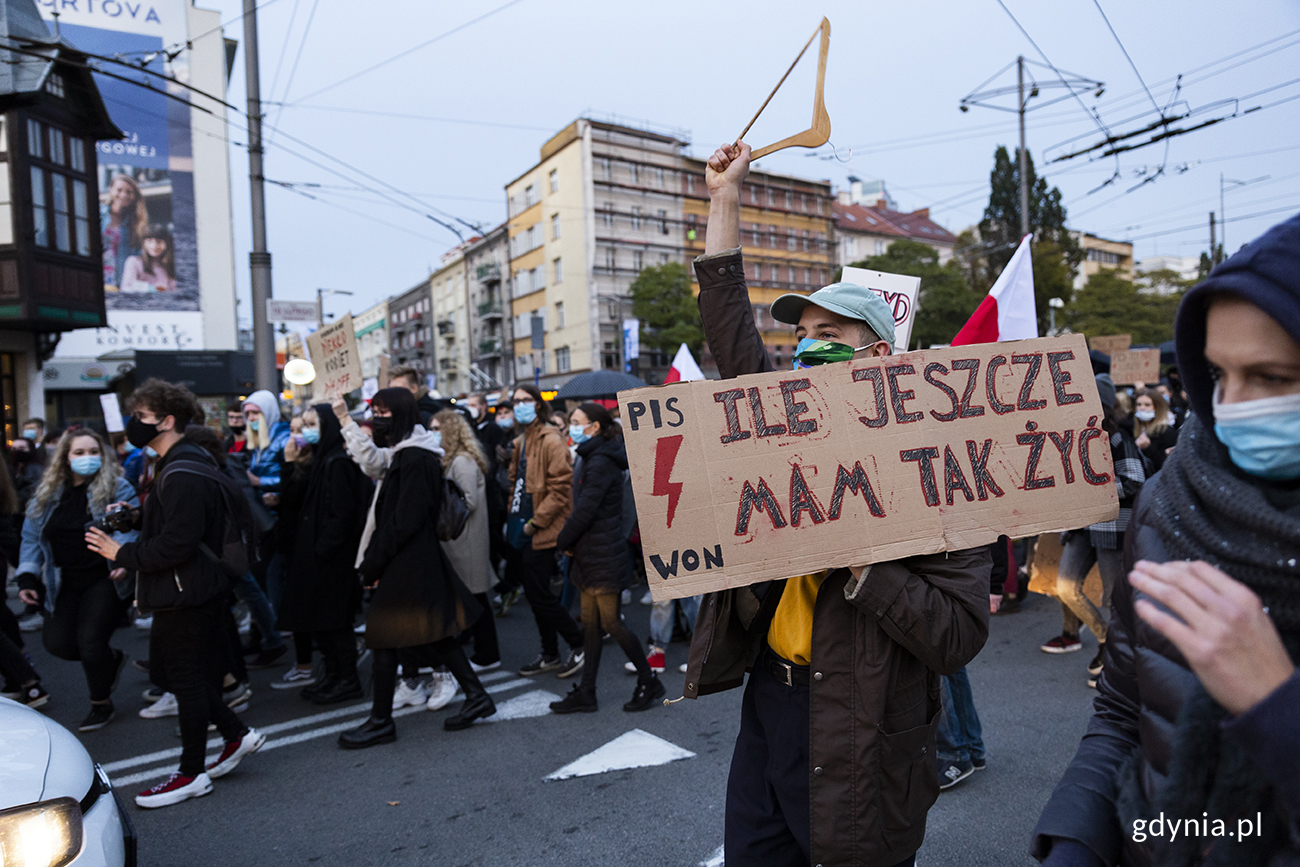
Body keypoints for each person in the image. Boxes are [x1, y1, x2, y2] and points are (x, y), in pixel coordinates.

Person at [689, 141, 990, 867]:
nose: (805, 352)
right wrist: (725, 197)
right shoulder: (779, 430)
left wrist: (863, 562)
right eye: (800, 337)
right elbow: (731, 333)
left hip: (866, 724)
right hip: (772, 708)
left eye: (829, 337)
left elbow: (958, 634)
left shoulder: (939, 471)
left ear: (878, 356)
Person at [1033, 214, 1300, 865]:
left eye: (1271, 378)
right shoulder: (1176, 500)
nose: (1233, 406)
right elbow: (1125, 714)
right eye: (1217, 374)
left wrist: (1276, 707)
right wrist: (1076, 842)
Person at [86, 379, 264, 809]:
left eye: (142, 417)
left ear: (167, 421)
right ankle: (237, 734)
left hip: (187, 591)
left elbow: (177, 543)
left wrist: (121, 551)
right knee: (183, 675)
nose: (134, 424)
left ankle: (190, 773)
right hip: (186, 589)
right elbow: (174, 523)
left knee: (184, 679)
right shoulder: (183, 462)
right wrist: (135, 516)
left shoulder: (181, 470)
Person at [338, 388, 495, 748]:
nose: (377, 418)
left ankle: (380, 721)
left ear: (403, 416)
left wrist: (374, 561)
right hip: (411, 559)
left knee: (382, 639)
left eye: (384, 412)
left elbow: (405, 519)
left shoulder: (415, 459)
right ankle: (476, 696)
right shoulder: (406, 454)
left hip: (408, 560)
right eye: (374, 411)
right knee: (437, 632)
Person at [15, 429, 138, 731]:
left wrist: (123, 558)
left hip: (105, 576)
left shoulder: (118, 487)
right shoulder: (48, 493)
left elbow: (130, 527)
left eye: (93, 451)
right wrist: (28, 578)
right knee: (59, 644)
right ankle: (111, 660)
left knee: (90, 642)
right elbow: (31, 537)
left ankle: (101, 703)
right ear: (65, 458)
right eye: (79, 453)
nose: (87, 458)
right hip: (63, 579)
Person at [550, 403, 664, 714]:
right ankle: (587, 691)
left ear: (595, 427)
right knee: (590, 624)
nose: (572, 427)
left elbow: (587, 509)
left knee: (611, 622)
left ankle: (648, 680)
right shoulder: (595, 456)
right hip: (592, 552)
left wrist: (561, 540)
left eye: (577, 422)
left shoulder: (600, 461)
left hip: (602, 552)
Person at [1040, 374, 1147, 689]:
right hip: (1083, 526)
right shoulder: (1074, 437)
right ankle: (1106, 639)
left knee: (1114, 598)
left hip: (1112, 526)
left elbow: (1135, 480)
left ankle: (1119, 661)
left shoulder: (1118, 439)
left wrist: (1094, 489)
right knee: (1065, 585)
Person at [277, 405, 372, 702]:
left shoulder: (337, 463)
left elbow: (341, 515)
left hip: (331, 562)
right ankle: (332, 675)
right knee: (321, 624)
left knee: (335, 624)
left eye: (311, 423)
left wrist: (323, 551)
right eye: (303, 424)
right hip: (317, 558)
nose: (306, 429)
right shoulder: (322, 461)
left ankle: (346, 680)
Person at [507, 383, 585, 678]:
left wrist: (532, 524)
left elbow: (561, 489)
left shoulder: (551, 440)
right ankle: (549, 652)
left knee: (539, 593)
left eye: (526, 400)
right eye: (516, 401)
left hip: (541, 527)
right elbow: (517, 485)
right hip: (523, 525)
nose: (520, 405)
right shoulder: (521, 441)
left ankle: (577, 643)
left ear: (539, 405)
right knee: (534, 591)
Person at [432, 409, 500, 672]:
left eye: (437, 428)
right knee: (470, 597)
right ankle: (482, 649)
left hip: (466, 539)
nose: (433, 433)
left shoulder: (462, 461)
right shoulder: (454, 459)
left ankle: (488, 654)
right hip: (461, 539)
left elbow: (467, 500)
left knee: (476, 597)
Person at [240, 390, 291, 665]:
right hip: (263, 517)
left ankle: (274, 631)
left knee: (269, 575)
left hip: (277, 518)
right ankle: (264, 635)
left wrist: (263, 484)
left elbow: (289, 474)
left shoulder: (283, 437)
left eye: (255, 413)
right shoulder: (259, 441)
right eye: (248, 414)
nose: (251, 418)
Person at [101, 174, 147, 291]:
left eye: (129, 192)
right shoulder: (98, 212)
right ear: (110, 189)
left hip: (120, 283)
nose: (123, 195)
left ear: (134, 196)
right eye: (119, 190)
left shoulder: (136, 224)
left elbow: (139, 256)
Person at [1131, 387, 1178, 471]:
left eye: (1147, 405)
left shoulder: (1166, 431)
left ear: (1157, 407)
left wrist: (1148, 448)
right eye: (1139, 404)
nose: (1142, 408)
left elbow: (1167, 465)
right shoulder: (1132, 429)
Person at [119, 225, 176, 293]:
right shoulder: (134, 262)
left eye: (159, 242)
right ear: (144, 243)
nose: (154, 246)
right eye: (149, 241)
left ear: (166, 244)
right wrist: (152, 288)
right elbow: (126, 288)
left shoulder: (171, 266)